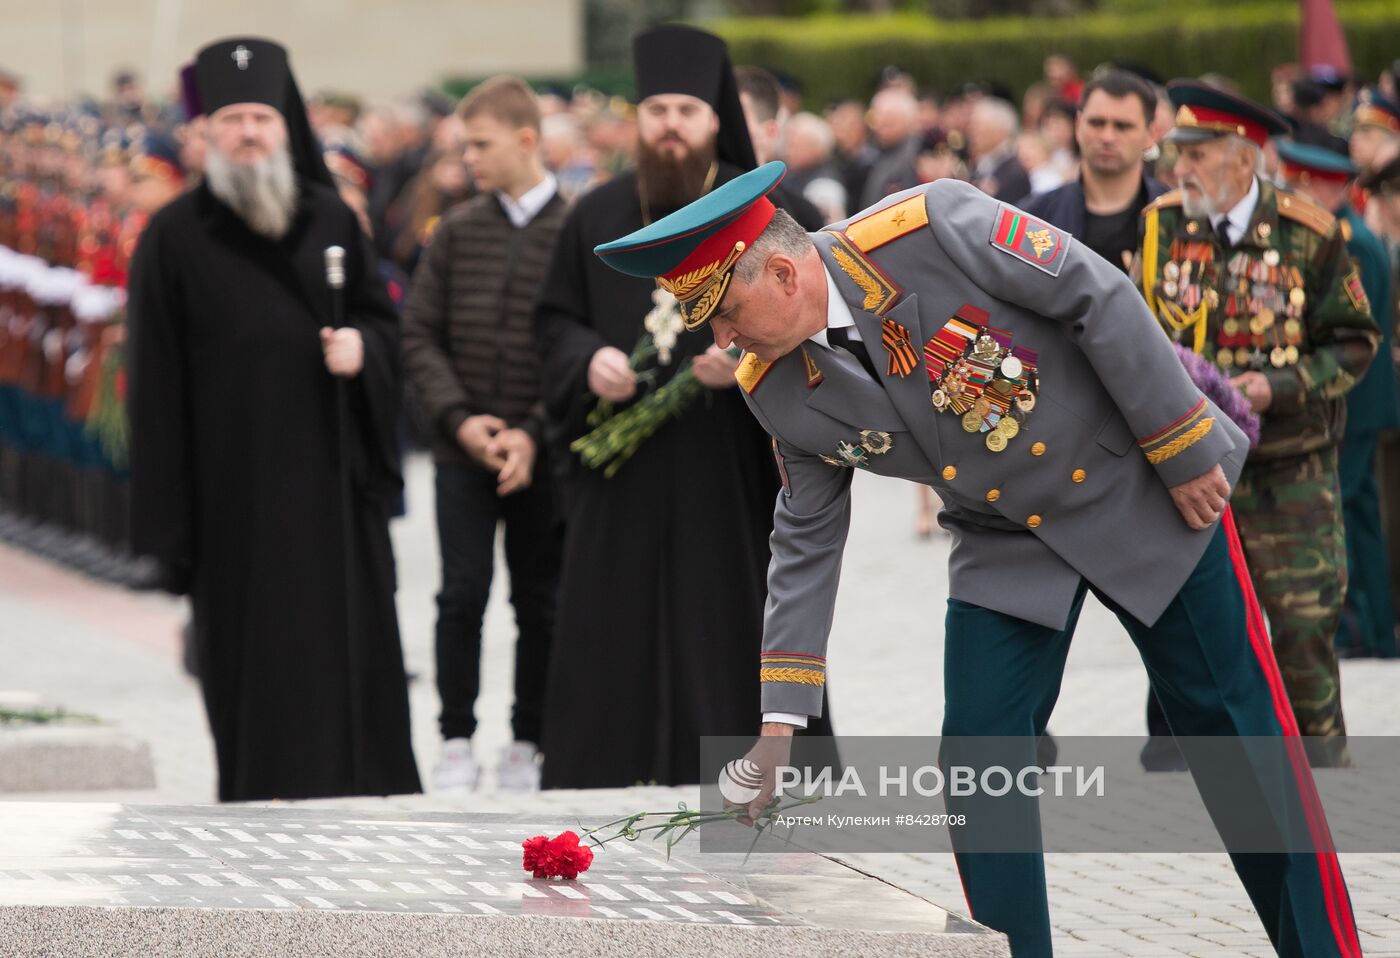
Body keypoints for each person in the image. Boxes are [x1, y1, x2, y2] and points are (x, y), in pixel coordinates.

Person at [594, 159, 1362, 958]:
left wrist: (1180, 443)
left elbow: (1095, 294)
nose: (720, 340)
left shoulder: (933, 226)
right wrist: (780, 722)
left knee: (1234, 739)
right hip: (1005, 540)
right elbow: (805, 537)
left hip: (1138, 487)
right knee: (976, 760)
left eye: (722, 313)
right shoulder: (774, 386)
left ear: (783, 272)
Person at [532, 24, 833, 789]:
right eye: (657, 108)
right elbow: (553, 319)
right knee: (610, 628)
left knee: (729, 623)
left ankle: (746, 781)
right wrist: (584, 360)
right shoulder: (596, 213)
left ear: (715, 118)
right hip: (622, 477)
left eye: (687, 110)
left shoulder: (769, 209)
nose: (670, 124)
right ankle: (600, 778)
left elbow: (819, 316)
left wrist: (749, 363)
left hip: (730, 472)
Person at [126, 38, 420, 802]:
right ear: (206, 134)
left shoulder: (329, 216)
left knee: (349, 664)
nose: (249, 132)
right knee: (258, 679)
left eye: (262, 117)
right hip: (235, 503)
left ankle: (364, 795)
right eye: (233, 119)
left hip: (332, 492)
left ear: (285, 126)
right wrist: (169, 534)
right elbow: (151, 391)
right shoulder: (172, 237)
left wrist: (363, 348)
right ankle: (262, 806)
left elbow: (381, 323)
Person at [1134, 81, 1380, 766]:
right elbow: (1140, 332)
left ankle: (1323, 768)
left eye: (1197, 154)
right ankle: (1229, 767)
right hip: (1194, 466)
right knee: (1205, 630)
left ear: (1243, 158)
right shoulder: (1162, 226)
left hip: (1289, 468)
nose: (1179, 169)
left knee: (1302, 625)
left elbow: (1355, 342)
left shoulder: (1310, 231)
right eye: (1177, 154)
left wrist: (1277, 386)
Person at [402, 76, 567, 793]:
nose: (468, 158)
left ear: (525, 140)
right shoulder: (458, 231)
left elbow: (577, 347)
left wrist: (532, 432)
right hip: (459, 450)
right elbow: (419, 334)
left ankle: (530, 740)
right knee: (459, 595)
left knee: (540, 598)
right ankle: (456, 739)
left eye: (480, 144)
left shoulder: (577, 229)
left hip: (546, 454)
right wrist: (461, 421)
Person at [1277, 139, 1400, 659]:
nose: (1297, 194)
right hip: (1361, 403)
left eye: (1308, 184)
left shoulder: (1348, 240)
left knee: (1343, 514)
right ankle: (1376, 631)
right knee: (1363, 516)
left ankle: (1358, 629)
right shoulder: (1344, 235)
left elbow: (1354, 336)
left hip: (1354, 402)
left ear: (1333, 187)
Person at [1025, 70, 1165, 273]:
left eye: (1123, 126)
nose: (1107, 137)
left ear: (1151, 133)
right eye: (1097, 123)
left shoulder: (1176, 220)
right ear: (1078, 125)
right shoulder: (1036, 219)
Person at [966, 97, 1031, 203]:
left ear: (1000, 130)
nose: (971, 131)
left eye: (977, 125)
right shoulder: (982, 165)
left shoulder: (1015, 173)